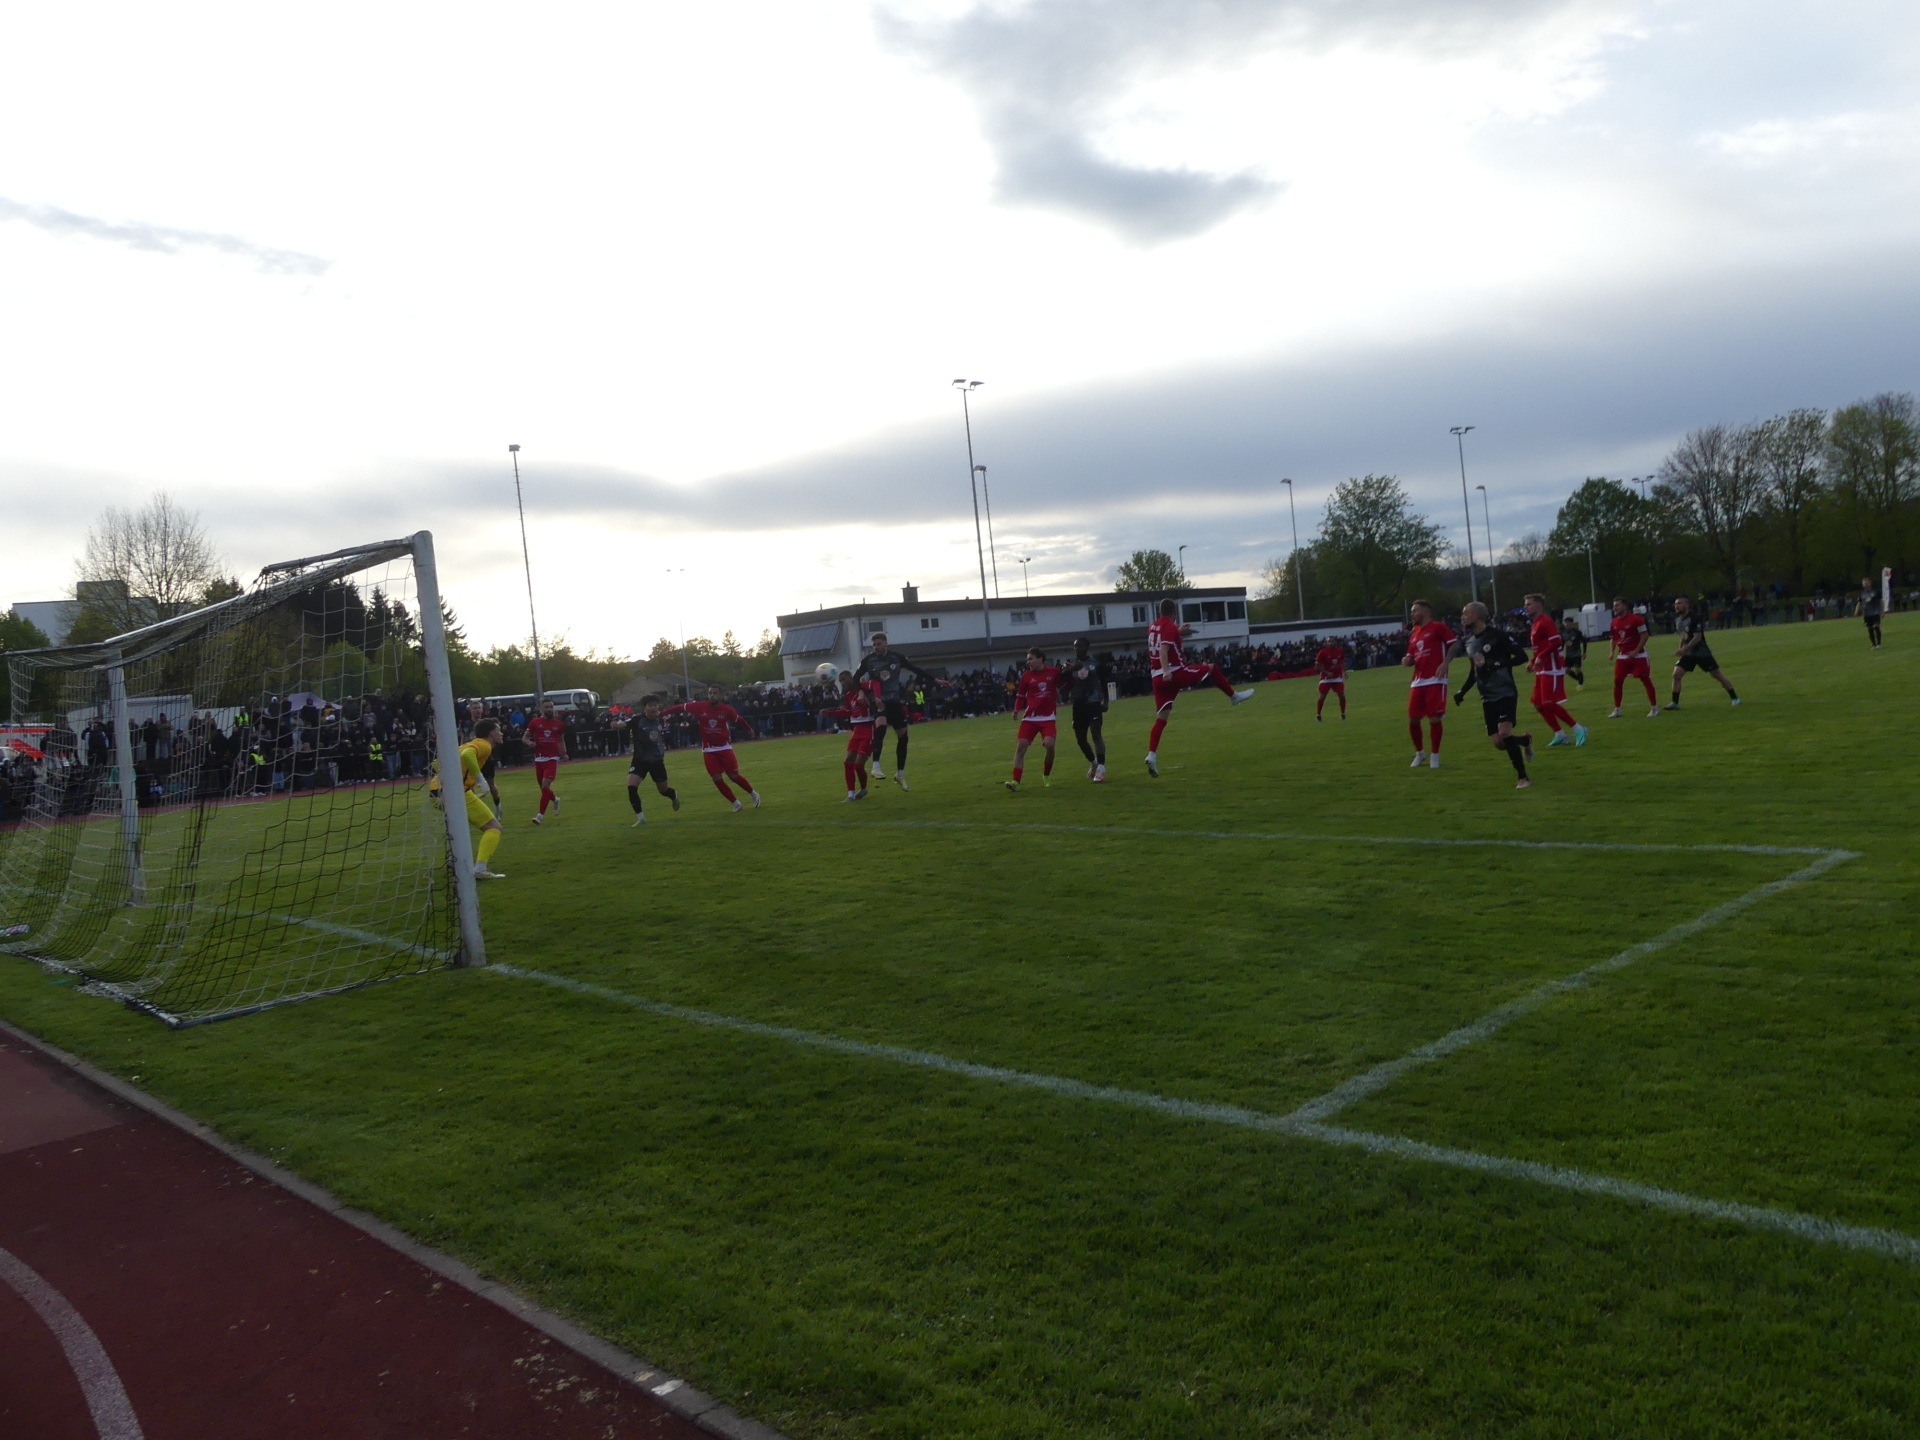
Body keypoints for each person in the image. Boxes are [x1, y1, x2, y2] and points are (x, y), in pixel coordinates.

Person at [1144, 597, 1254, 777]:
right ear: (1174, 612)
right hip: (1174, 673)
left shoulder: (1153, 626)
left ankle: (1152, 755)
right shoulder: (1169, 626)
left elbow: (1163, 640)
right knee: (1211, 668)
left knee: (1161, 718)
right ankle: (1234, 697)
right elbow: (1163, 650)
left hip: (1156, 678)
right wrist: (1167, 671)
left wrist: (1178, 631)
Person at [1455, 601, 1535, 789]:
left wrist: (1498, 664)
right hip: (1487, 696)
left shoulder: (1498, 635)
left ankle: (1523, 778)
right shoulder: (1469, 642)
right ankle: (1525, 740)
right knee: (1499, 743)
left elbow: (1522, 657)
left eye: (1466, 614)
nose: (1462, 617)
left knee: (1505, 732)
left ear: (1476, 616)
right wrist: (1462, 691)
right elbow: (1475, 671)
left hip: (1505, 691)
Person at [853, 633, 933, 790]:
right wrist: (861, 693)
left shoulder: (896, 658)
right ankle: (876, 766)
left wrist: (935, 680)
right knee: (881, 727)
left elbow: (915, 669)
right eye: (874, 645)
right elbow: (856, 678)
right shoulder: (869, 661)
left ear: (886, 644)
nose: (876, 647)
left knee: (903, 737)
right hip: (878, 700)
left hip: (894, 702)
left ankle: (900, 774)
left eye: (878, 644)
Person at [663, 685, 762, 810]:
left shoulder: (727, 710)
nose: (712, 695)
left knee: (733, 776)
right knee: (716, 777)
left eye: (715, 693)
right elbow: (679, 707)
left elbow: (739, 719)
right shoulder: (700, 706)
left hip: (724, 747)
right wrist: (661, 714)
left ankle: (754, 794)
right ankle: (736, 803)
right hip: (709, 749)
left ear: (720, 696)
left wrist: (749, 729)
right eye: (710, 693)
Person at [430, 717, 506, 878]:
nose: (501, 734)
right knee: (493, 828)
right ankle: (480, 869)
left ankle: (455, 859)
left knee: (459, 827)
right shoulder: (484, 745)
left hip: (435, 791)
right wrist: (480, 780)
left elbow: (436, 763)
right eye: (499, 731)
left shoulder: (466, 744)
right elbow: (467, 755)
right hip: (453, 792)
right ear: (491, 733)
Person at [1525, 594, 1586, 747]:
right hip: (1542, 668)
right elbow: (1540, 647)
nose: (1526, 607)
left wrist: (1541, 657)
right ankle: (1560, 734)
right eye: (1526, 604)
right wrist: (1532, 661)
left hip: (1552, 668)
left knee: (1549, 703)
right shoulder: (1535, 623)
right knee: (1538, 704)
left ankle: (1578, 728)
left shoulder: (1546, 621)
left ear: (1539, 605)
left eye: (1529, 604)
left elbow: (1557, 642)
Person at [1401, 598, 1456, 769]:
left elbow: (1454, 645)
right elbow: (1411, 655)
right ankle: (1420, 753)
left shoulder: (1438, 627)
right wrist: (1407, 660)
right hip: (1418, 681)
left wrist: (1445, 663)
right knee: (1413, 719)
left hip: (1435, 679)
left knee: (1434, 718)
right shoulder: (1414, 633)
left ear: (1425, 612)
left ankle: (1435, 756)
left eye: (1414, 611)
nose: (1412, 614)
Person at [1005, 648, 1063, 792]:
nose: (1028, 662)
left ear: (1040, 659)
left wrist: (1069, 672)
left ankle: (1046, 775)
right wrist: (1016, 709)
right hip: (1030, 718)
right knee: (1021, 746)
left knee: (1049, 745)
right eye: (1028, 659)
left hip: (1048, 718)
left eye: (1031, 659)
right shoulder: (1026, 676)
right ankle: (1016, 781)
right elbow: (1020, 695)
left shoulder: (1053, 672)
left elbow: (1066, 684)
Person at [1666, 596, 1741, 709]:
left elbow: (1697, 638)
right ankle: (1675, 703)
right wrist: (1681, 648)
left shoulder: (1695, 618)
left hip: (1701, 653)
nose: (1677, 606)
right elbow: (1683, 636)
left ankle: (1735, 698)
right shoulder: (1678, 620)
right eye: (1676, 604)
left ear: (1687, 605)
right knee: (1676, 675)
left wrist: (1684, 649)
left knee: (1717, 675)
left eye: (1680, 603)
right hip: (1688, 654)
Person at [624, 695, 680, 825]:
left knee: (663, 790)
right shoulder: (638, 720)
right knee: (631, 786)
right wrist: (617, 724)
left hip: (656, 761)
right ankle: (641, 818)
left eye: (655, 705)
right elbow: (625, 724)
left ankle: (673, 795)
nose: (653, 708)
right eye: (650, 705)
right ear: (644, 708)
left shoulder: (660, 720)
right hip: (640, 760)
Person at [820, 671, 876, 801]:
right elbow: (848, 711)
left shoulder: (863, 688)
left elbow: (875, 685)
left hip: (869, 728)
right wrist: (830, 713)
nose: (842, 682)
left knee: (858, 765)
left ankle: (863, 789)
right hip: (856, 730)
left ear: (851, 678)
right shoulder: (848, 694)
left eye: (844, 679)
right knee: (848, 762)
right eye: (840, 680)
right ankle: (850, 794)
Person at [1606, 597, 1659, 718]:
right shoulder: (1614, 622)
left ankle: (1654, 708)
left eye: (1617, 605)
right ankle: (1617, 709)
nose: (1615, 608)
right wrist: (1612, 652)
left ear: (1625, 606)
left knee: (1645, 679)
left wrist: (1636, 651)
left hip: (1639, 655)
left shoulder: (1636, 620)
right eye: (1614, 606)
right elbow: (1613, 638)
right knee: (1617, 680)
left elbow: (1645, 636)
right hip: (1623, 655)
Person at [1066, 637, 1108, 781]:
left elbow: (1104, 682)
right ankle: (1093, 762)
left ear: (1087, 647)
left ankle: (1101, 767)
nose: (1077, 649)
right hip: (1078, 705)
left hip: (1093, 702)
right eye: (1075, 646)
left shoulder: (1095, 663)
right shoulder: (1071, 664)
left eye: (1080, 646)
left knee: (1096, 732)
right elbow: (1063, 681)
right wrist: (1070, 669)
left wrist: (1106, 701)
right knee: (1081, 740)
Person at [526, 697, 568, 824]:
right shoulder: (535, 722)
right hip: (539, 758)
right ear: (541, 709)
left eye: (551, 707)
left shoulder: (558, 724)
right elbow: (525, 737)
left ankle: (539, 816)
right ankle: (555, 799)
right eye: (547, 707)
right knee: (544, 789)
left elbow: (561, 740)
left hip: (552, 758)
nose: (549, 709)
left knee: (545, 785)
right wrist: (529, 743)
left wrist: (564, 753)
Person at [463, 698, 504, 807]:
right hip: (471, 755)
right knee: (469, 785)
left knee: (491, 784)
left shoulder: (486, 723)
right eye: (474, 708)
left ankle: (498, 806)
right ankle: (474, 806)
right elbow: (463, 737)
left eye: (479, 708)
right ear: (470, 710)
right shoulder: (466, 724)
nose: (477, 710)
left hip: (484, 757)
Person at [1314, 639, 1347, 720]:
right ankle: (1318, 714)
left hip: (1337, 677)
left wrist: (1345, 672)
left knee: (1341, 695)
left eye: (1332, 641)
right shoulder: (1323, 652)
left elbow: (1343, 661)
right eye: (1329, 641)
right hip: (1326, 678)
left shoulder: (1340, 650)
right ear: (1327, 643)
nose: (1331, 643)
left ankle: (1343, 713)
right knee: (1323, 696)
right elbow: (1317, 666)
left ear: (1335, 642)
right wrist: (1326, 672)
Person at [1857, 577, 1884, 649]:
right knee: (1870, 629)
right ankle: (1873, 644)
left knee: (1876, 626)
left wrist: (1882, 610)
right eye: (1864, 584)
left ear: (1870, 583)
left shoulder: (1876, 592)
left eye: (1866, 583)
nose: (1865, 585)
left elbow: (1880, 601)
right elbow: (1859, 602)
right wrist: (1857, 611)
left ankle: (1879, 644)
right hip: (1866, 613)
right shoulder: (1862, 593)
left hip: (1875, 612)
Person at [1561, 617, 1587, 688]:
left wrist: (1584, 652)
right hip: (1568, 655)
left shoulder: (1576, 632)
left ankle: (1581, 684)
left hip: (1577, 653)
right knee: (1566, 670)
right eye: (1566, 623)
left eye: (1569, 623)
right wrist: (1560, 652)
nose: (1567, 624)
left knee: (1578, 669)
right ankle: (1579, 678)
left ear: (1572, 623)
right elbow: (1562, 644)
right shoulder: (1563, 633)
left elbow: (1584, 641)